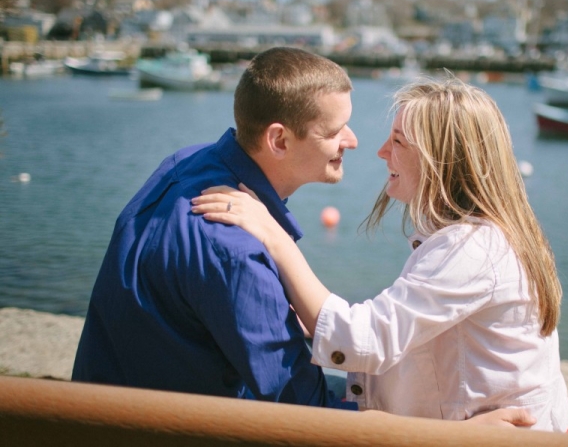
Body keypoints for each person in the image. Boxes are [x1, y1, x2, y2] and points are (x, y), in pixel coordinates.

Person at [72, 47, 534, 427]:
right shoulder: (233, 249)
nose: (354, 142)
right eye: (334, 131)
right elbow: (306, 415)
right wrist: (448, 438)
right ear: (279, 140)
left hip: (103, 416)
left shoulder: (182, 165)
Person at [191, 77, 568, 432]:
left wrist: (274, 235)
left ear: (441, 160)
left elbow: (364, 341)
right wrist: (310, 321)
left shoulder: (473, 248)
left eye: (398, 142)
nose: (380, 152)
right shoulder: (486, 235)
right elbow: (408, 325)